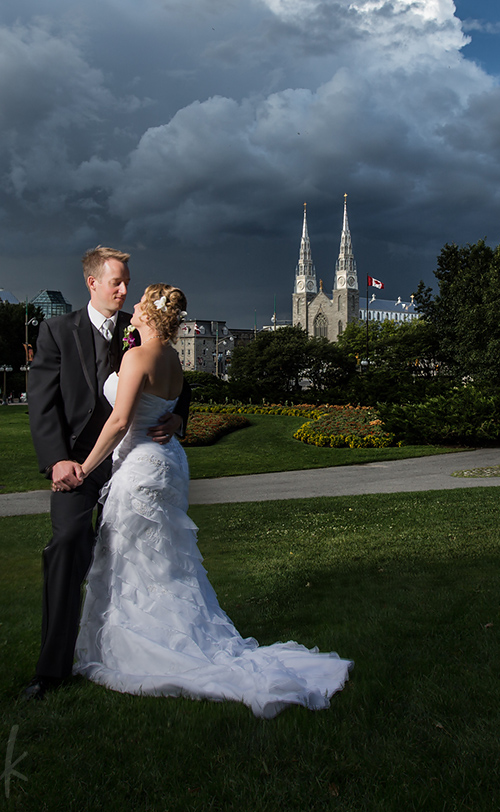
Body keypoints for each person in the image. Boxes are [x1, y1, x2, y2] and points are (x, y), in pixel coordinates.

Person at [71, 284, 353, 718]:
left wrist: (84, 467)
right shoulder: (170, 359)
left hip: (142, 467)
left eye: (140, 305)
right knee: (165, 558)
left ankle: (145, 642)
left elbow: (120, 421)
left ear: (149, 314)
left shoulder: (138, 356)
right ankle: (173, 629)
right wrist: (175, 419)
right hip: (167, 463)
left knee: (135, 556)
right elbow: (164, 402)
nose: (133, 309)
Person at [25, 248, 190, 700]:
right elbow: (42, 401)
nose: (124, 290)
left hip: (133, 464)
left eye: (128, 283)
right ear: (92, 283)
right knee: (67, 545)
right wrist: (57, 460)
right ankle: (52, 669)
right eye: (117, 282)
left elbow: (180, 386)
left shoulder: (141, 329)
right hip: (78, 465)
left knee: (135, 559)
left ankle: (133, 651)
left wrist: (178, 418)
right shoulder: (57, 331)